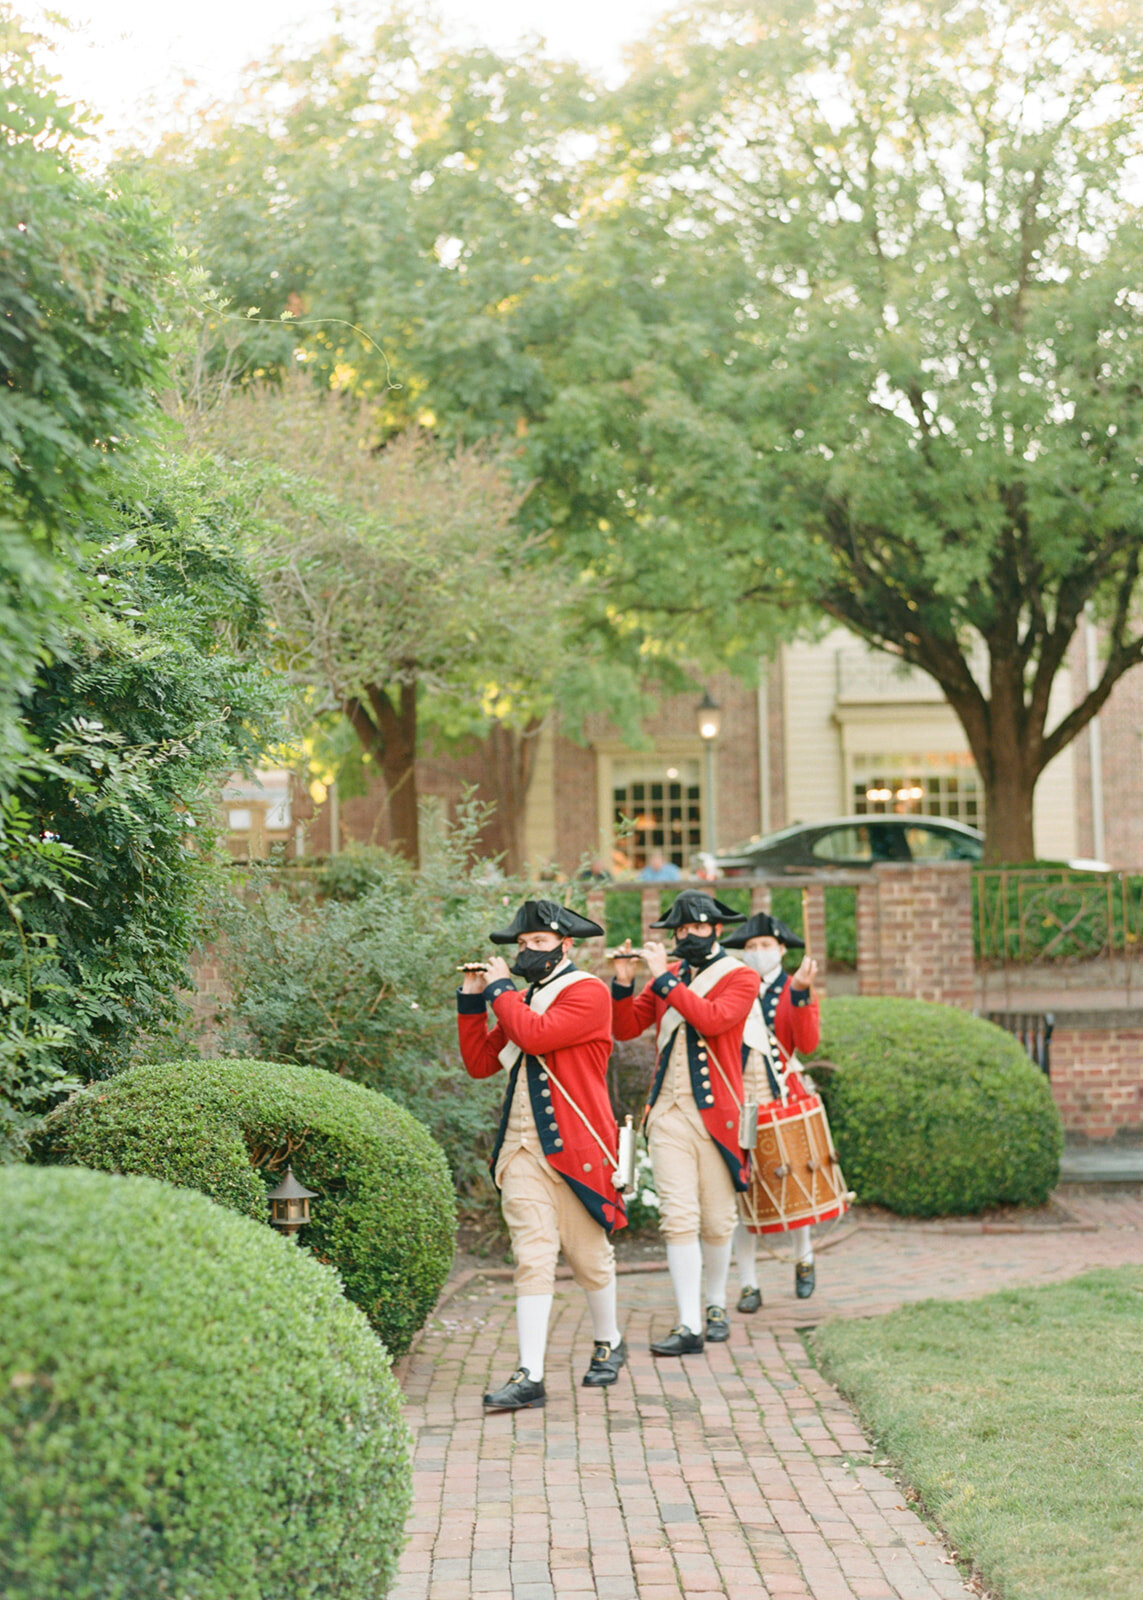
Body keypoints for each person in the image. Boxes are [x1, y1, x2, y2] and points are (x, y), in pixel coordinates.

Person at [458, 898, 627, 1410]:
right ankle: (530, 1373)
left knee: (589, 1259)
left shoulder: (589, 993)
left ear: (566, 944)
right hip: (522, 1150)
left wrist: (501, 989)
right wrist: (471, 998)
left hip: (578, 1151)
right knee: (532, 1258)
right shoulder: (522, 998)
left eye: (539, 943)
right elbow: (480, 1063)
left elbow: (536, 1036)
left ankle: (610, 1340)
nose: (529, 951)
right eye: (523, 944)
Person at [611, 891, 758, 1354]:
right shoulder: (668, 977)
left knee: (717, 1222)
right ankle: (689, 1324)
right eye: (679, 930)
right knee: (678, 1220)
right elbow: (626, 1027)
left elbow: (713, 1021)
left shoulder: (741, 977)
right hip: (669, 1113)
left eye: (696, 928)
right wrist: (623, 983)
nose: (686, 936)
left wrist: (662, 981)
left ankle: (715, 1303)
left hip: (718, 1117)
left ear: (715, 929)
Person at [721, 912, 821, 1305]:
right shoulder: (735, 985)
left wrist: (799, 993)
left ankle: (805, 1258)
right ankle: (749, 1283)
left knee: (794, 1179)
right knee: (740, 1188)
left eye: (764, 946)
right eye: (749, 947)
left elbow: (807, 1043)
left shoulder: (795, 985)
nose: (757, 953)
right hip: (740, 1097)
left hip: (781, 1094)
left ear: (781, 949)